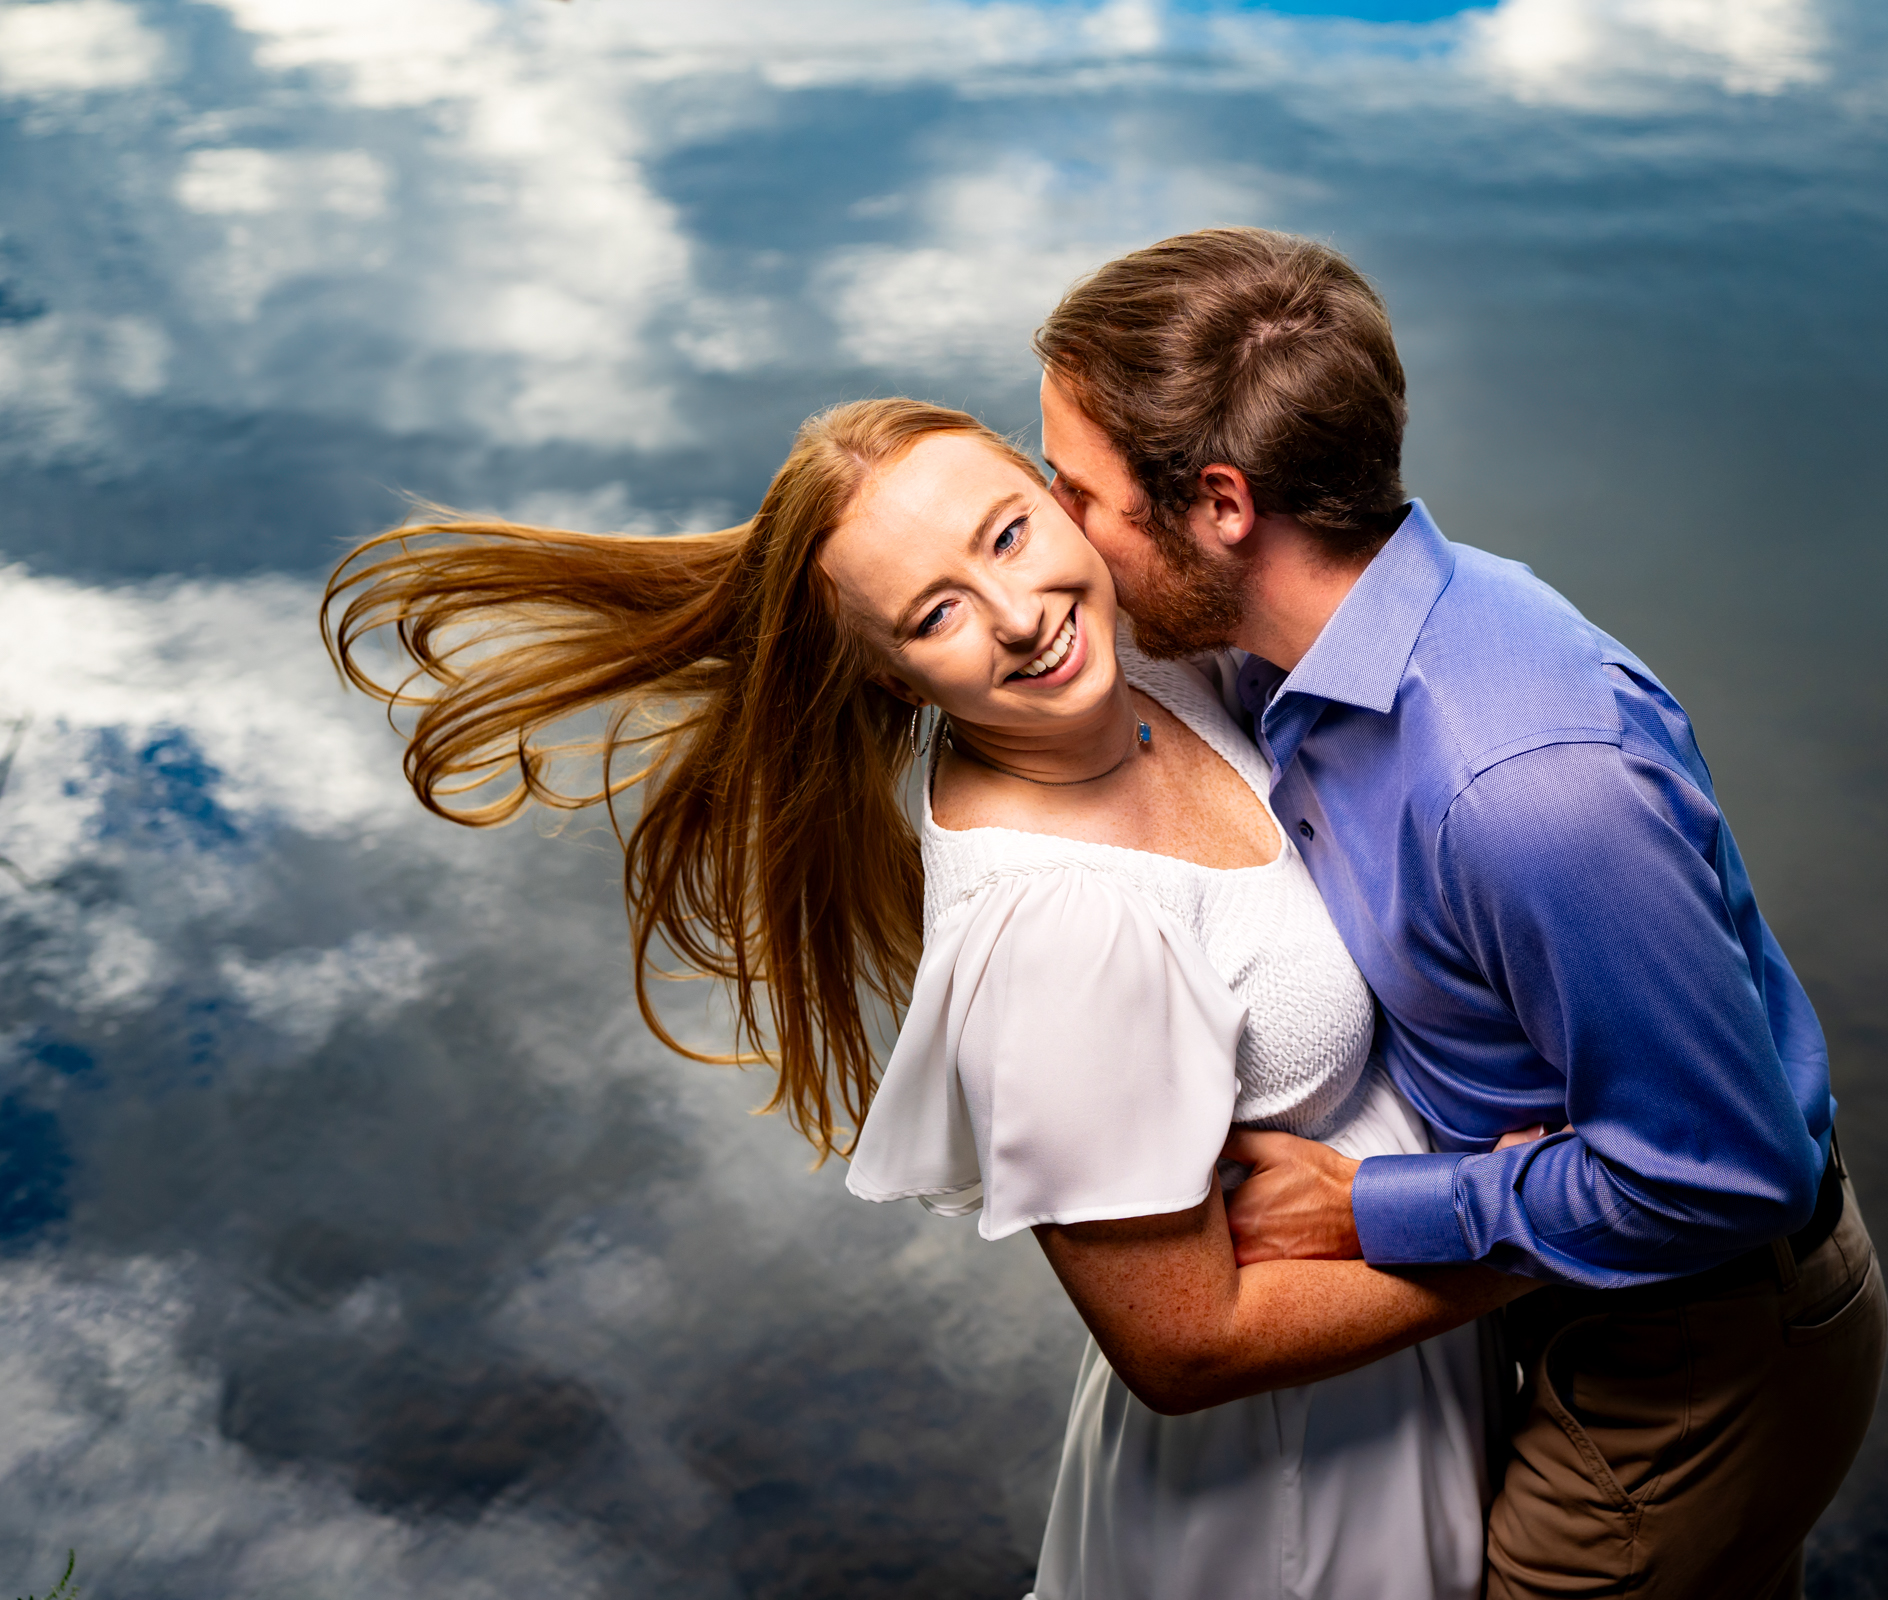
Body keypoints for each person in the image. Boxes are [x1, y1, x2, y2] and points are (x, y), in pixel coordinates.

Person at [321, 398, 1531, 1600]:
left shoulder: (1152, 659)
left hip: (1403, 1321)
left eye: (1006, 535)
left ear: (1061, 496)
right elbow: (1185, 1343)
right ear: (888, 673)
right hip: (1300, 1483)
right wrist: (1531, 1236)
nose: (1020, 618)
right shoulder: (1060, 929)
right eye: (936, 614)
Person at [1031, 227, 1888, 1599]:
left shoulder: (1528, 788)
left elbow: (1728, 1176)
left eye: (1076, 495)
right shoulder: (1298, 652)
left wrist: (1382, 1204)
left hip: (1698, 1360)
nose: (1060, 538)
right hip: (1576, 1305)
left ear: (1223, 506)